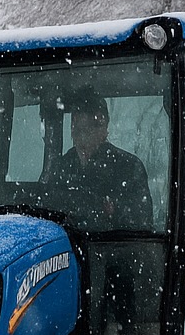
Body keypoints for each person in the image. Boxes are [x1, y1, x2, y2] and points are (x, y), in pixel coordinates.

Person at [46, 91, 154, 232]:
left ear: (104, 129)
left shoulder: (128, 167)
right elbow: (46, 210)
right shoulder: (61, 167)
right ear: (72, 129)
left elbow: (141, 227)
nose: (83, 138)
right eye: (78, 129)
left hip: (115, 249)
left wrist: (113, 211)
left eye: (89, 129)